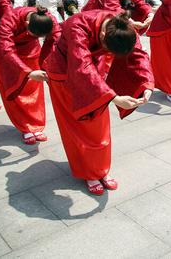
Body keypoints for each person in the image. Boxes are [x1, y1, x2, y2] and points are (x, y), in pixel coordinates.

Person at [44, 11, 154, 195]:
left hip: (92, 72)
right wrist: (114, 97)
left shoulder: (124, 27)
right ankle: (89, 173)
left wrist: (147, 84)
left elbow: (139, 54)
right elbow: (81, 65)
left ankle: (100, 169)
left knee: (99, 125)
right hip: (64, 74)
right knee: (77, 126)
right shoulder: (77, 25)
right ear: (102, 35)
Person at [0, 6, 61, 144]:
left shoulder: (48, 19)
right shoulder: (9, 19)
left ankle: (36, 125)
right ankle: (25, 128)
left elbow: (57, 38)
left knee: (34, 90)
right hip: (6, 55)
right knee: (14, 89)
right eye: (34, 35)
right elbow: (7, 50)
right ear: (27, 24)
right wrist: (28, 72)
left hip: (30, 51)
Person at [82, 0, 154, 34]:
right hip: (93, 12)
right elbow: (116, 11)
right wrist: (132, 23)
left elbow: (141, 2)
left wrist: (150, 15)